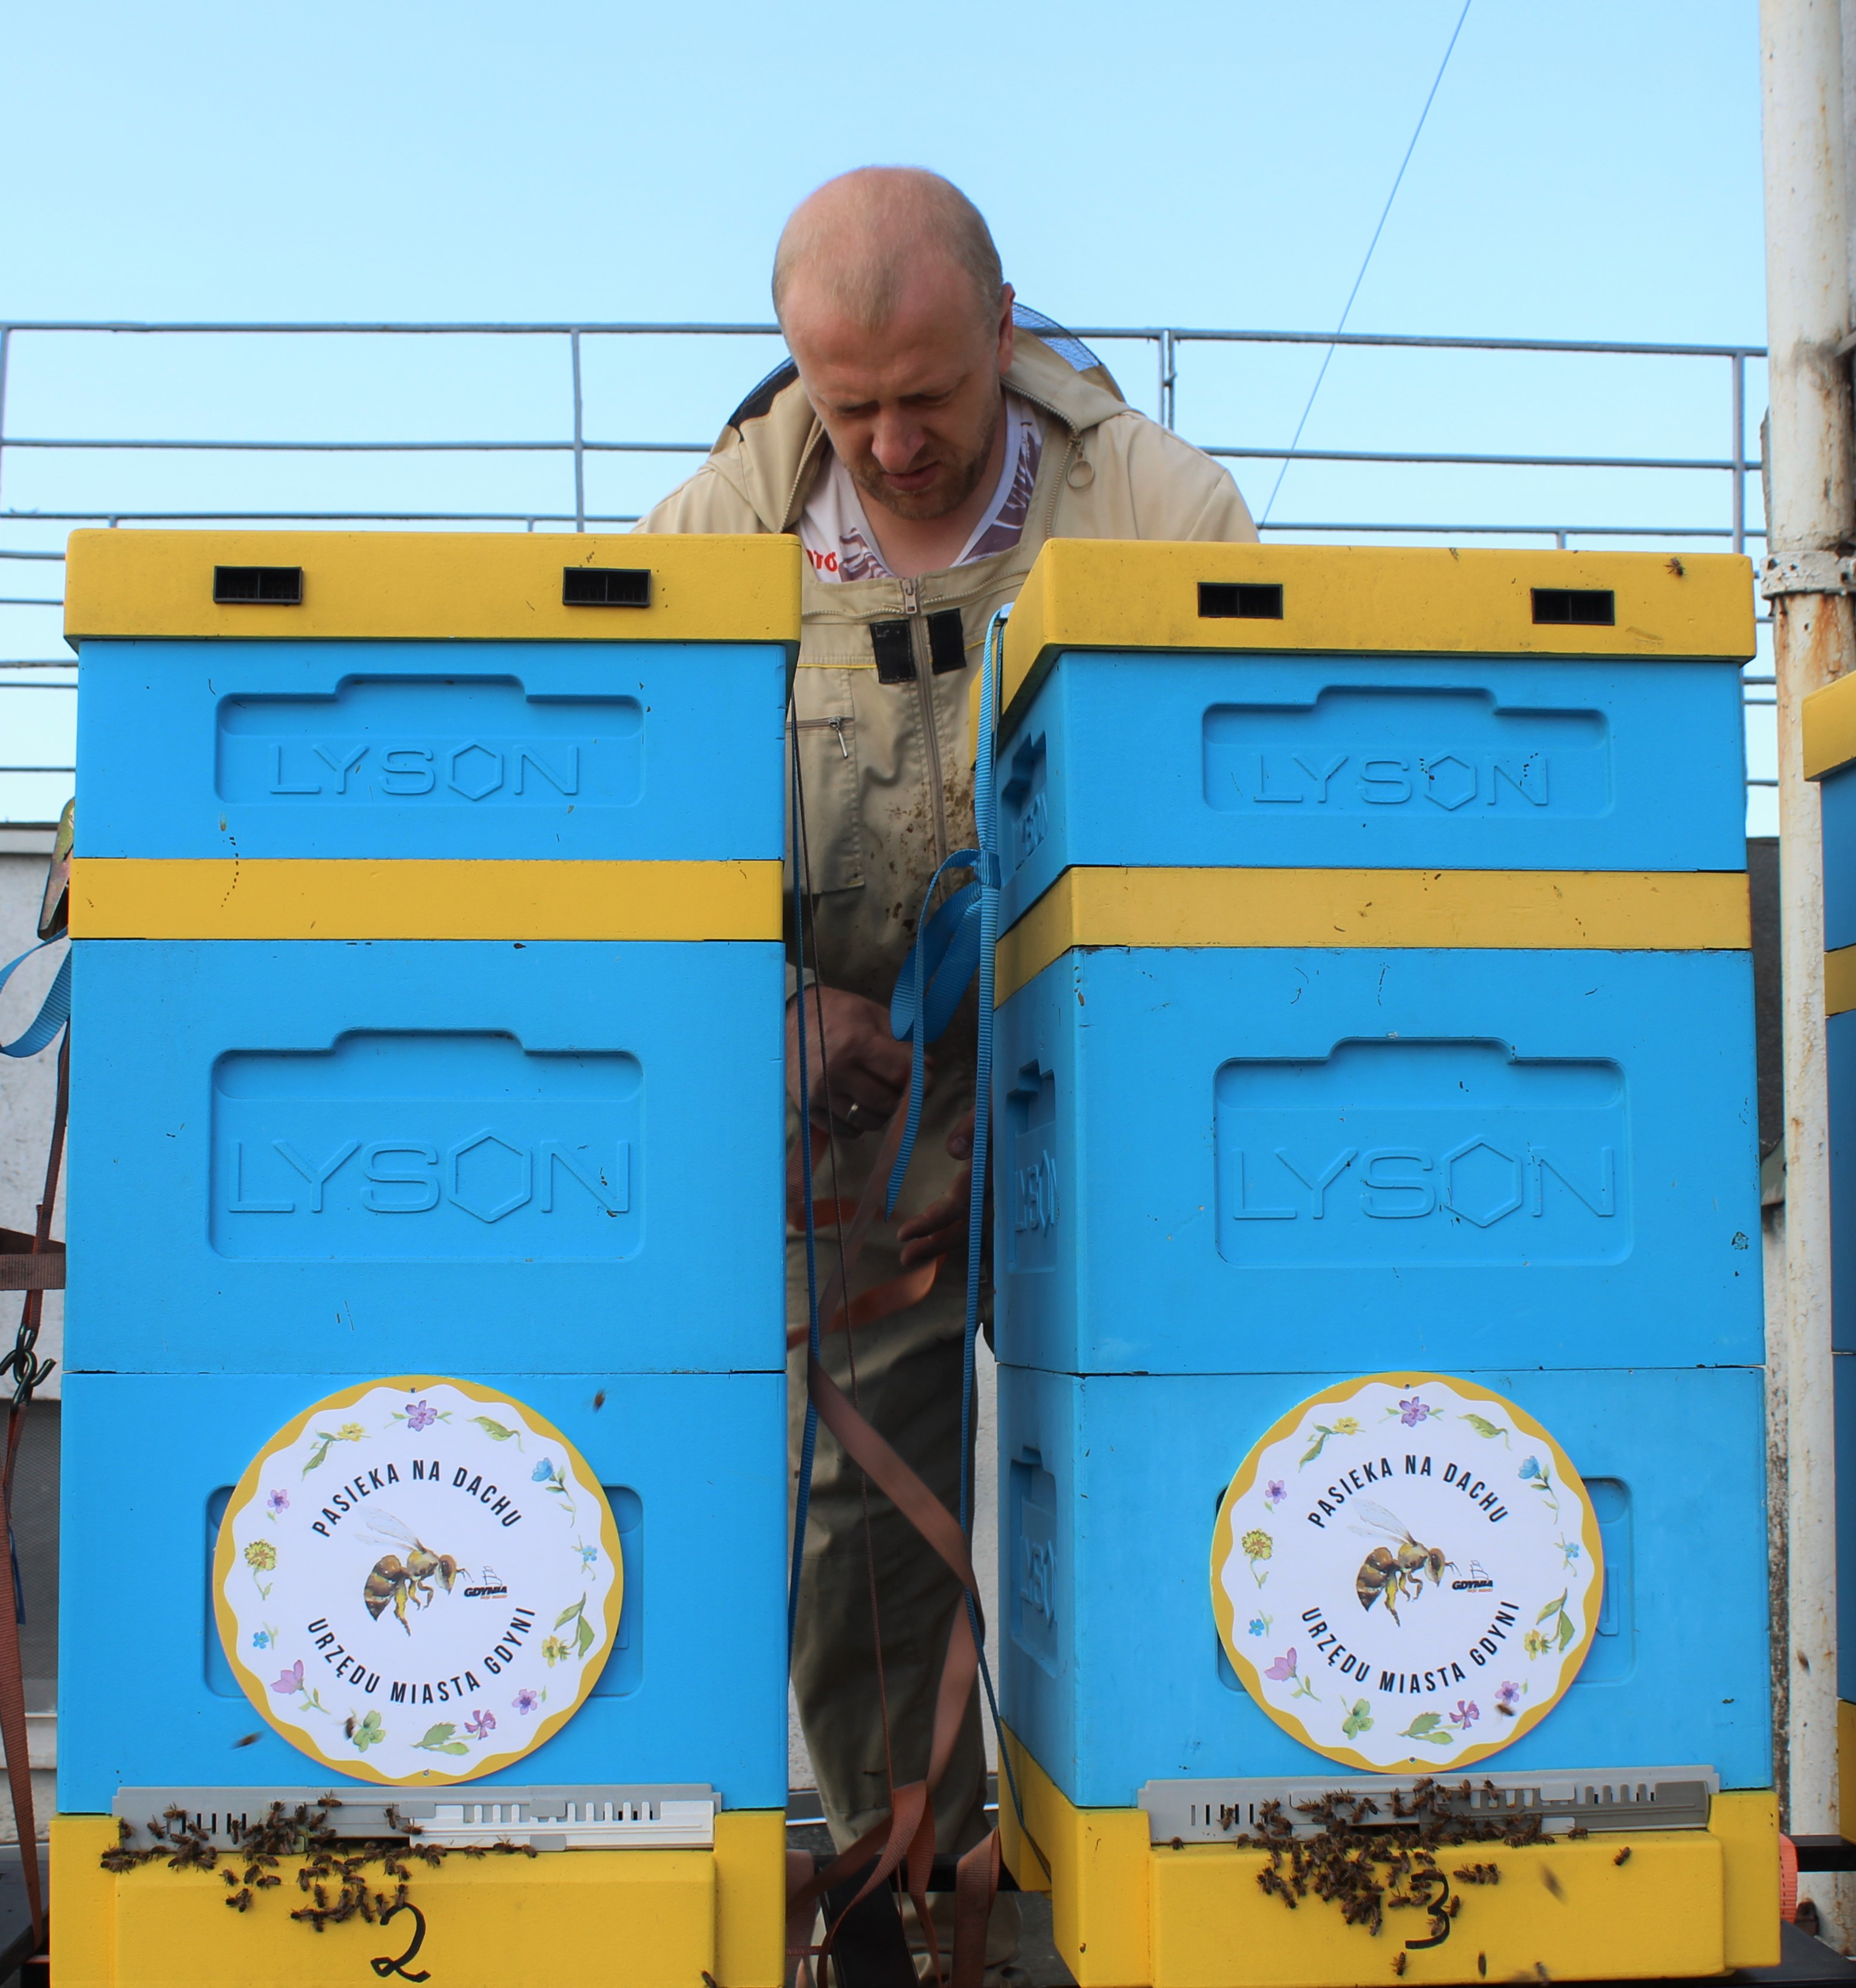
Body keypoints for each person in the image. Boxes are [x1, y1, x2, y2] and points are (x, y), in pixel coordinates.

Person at [637, 166, 1252, 1960]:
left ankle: (1171, 1844)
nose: (895, 443)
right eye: (852, 407)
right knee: (858, 1513)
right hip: (860, 1103)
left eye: (930, 393)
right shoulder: (710, 535)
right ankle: (906, 1887)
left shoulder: (1161, 503)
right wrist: (772, 1002)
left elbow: (1258, 805)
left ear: (1005, 328)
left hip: (1115, 1076)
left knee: (1160, 1442)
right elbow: (636, 835)